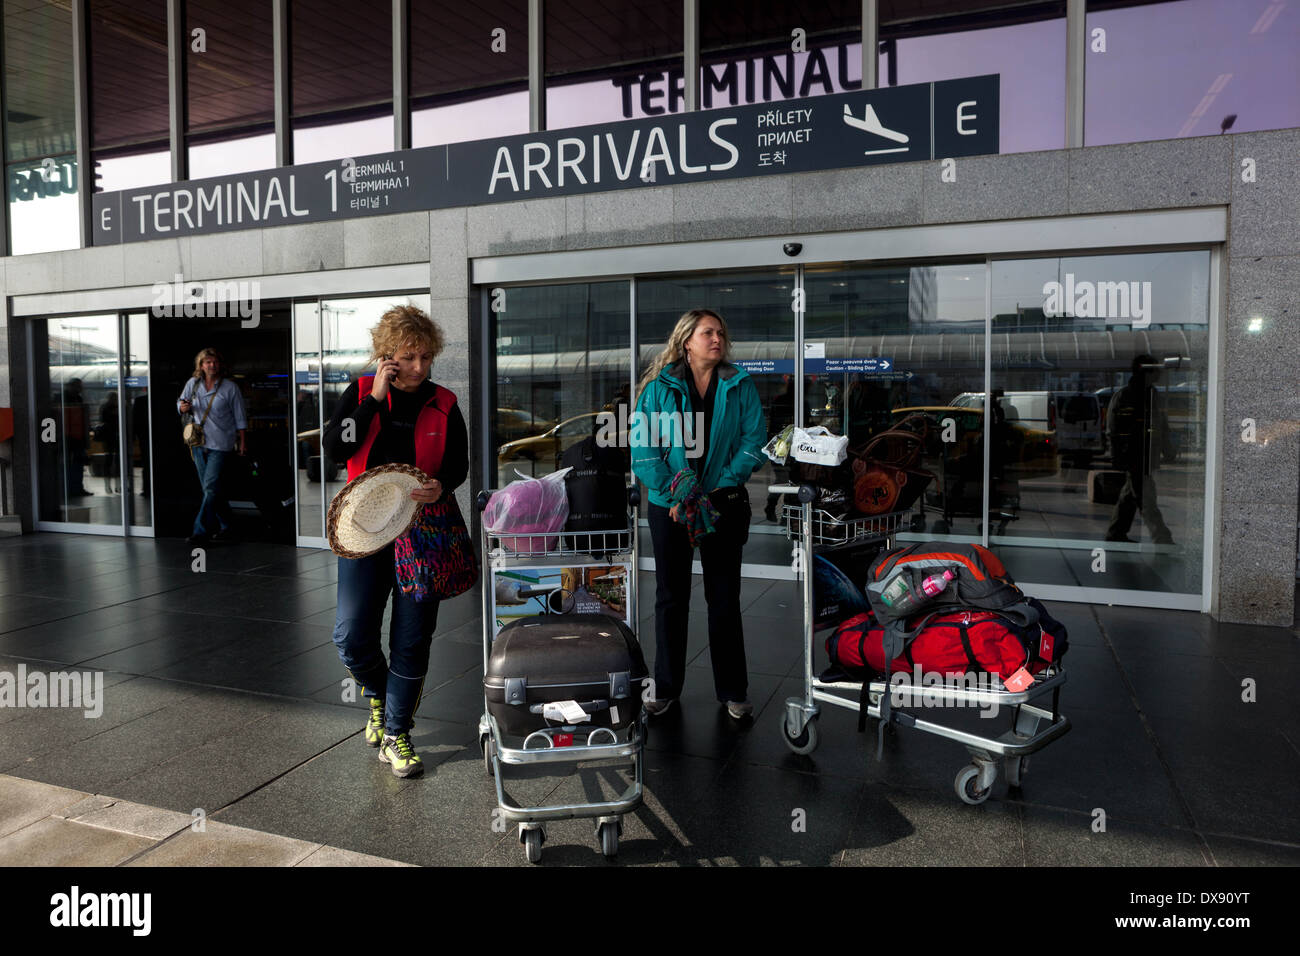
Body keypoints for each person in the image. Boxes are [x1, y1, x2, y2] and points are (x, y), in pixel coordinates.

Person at [323, 305, 468, 778]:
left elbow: (459, 465)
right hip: (365, 532)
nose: (421, 367)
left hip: (421, 532)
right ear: (388, 356)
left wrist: (441, 486)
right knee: (351, 633)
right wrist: (373, 400)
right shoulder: (362, 392)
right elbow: (336, 448)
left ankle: (397, 733)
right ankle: (380, 698)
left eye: (426, 357)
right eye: (409, 356)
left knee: (412, 637)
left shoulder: (444, 402)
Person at [631, 309, 766, 721]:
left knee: (723, 599)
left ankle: (733, 692)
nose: (717, 339)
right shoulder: (658, 389)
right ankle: (666, 688)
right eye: (708, 332)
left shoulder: (739, 384)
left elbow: (753, 440)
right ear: (687, 340)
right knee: (671, 598)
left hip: (722, 503)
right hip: (669, 508)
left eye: (721, 332)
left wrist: (721, 483)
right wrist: (678, 491)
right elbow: (643, 449)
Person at [177, 348, 247, 545]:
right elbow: (180, 404)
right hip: (198, 443)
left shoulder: (229, 388)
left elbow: (240, 416)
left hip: (221, 442)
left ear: (220, 365)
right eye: (207, 362)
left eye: (214, 362)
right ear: (201, 366)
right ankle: (228, 525)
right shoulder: (193, 384)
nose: (211, 365)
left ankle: (200, 531)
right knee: (212, 489)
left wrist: (242, 441)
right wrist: (181, 407)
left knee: (209, 488)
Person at [1105, 354, 1174, 545]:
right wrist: (1117, 456)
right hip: (1134, 457)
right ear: (1147, 371)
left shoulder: (1151, 394)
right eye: (1156, 369)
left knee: (1129, 496)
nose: (1160, 372)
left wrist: (1167, 448)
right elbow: (1114, 430)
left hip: (1143, 456)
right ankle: (1162, 538)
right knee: (1146, 499)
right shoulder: (1127, 396)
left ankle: (1116, 532)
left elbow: (1162, 424)